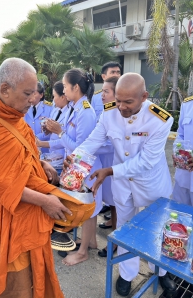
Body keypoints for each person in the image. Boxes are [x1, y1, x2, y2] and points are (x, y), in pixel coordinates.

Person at [0, 57, 70, 298]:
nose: (33, 99)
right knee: (18, 285)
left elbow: (23, 152)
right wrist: (45, 201)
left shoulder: (16, 117)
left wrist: (40, 162)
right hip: (8, 219)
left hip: (29, 214)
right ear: (4, 90)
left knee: (37, 276)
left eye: (34, 93)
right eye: (28, 93)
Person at [64, 73, 176, 296]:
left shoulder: (160, 119)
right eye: (119, 100)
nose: (121, 107)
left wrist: (110, 171)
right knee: (125, 228)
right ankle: (127, 274)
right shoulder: (109, 114)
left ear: (143, 96)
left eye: (128, 102)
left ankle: (162, 272)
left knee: (158, 229)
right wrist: (75, 158)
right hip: (123, 185)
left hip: (151, 184)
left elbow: (146, 161)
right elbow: (93, 141)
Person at [44, 68, 102, 266]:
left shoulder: (85, 111)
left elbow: (82, 148)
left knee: (86, 208)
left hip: (84, 168)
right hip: (77, 167)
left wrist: (60, 132)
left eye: (66, 86)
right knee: (86, 208)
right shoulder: (75, 107)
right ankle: (91, 241)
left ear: (75, 87)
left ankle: (83, 251)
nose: (64, 91)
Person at [91, 62, 122, 233]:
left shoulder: (129, 110)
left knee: (118, 199)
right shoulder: (104, 106)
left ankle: (117, 233)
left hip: (117, 161)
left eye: (119, 72)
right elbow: (96, 134)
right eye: (113, 72)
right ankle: (114, 225)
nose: (117, 74)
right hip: (104, 158)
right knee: (111, 196)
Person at [96, 77, 118, 258]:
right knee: (111, 200)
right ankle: (114, 227)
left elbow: (112, 145)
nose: (102, 95)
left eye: (106, 92)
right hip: (106, 163)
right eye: (102, 91)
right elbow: (95, 139)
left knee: (117, 202)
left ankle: (117, 241)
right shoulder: (107, 112)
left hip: (114, 164)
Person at [36, 81, 69, 158]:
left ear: (62, 97)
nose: (53, 100)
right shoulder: (55, 110)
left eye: (54, 96)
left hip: (63, 155)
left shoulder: (69, 113)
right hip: (53, 155)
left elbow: (65, 140)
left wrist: (41, 143)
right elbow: (52, 133)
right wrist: (47, 130)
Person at [172, 95, 193, 205]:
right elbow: (180, 133)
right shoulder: (188, 104)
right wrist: (177, 152)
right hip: (184, 173)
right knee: (179, 214)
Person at [24, 82, 53, 152]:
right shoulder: (24, 107)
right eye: (30, 93)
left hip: (45, 149)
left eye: (34, 93)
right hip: (29, 147)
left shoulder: (50, 108)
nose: (31, 96)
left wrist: (36, 138)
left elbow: (52, 130)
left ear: (41, 95)